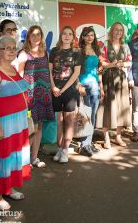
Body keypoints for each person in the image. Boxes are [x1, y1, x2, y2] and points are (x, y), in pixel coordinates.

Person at [0, 35, 30, 210]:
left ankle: (8, 188)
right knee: (0, 158)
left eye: (13, 47)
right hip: (3, 124)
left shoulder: (12, 68)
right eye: (6, 48)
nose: (11, 50)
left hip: (17, 123)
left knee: (12, 157)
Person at [17, 25, 55, 168]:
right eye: (33, 35)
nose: (36, 37)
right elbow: (19, 75)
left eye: (38, 34)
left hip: (44, 93)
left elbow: (49, 72)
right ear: (28, 38)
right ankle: (24, 160)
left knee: (39, 126)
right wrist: (21, 94)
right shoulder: (23, 53)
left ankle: (34, 157)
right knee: (29, 128)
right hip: (30, 95)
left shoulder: (45, 53)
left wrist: (52, 88)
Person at [49, 26, 81, 163]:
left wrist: (63, 89)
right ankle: (59, 148)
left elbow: (76, 73)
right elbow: (49, 70)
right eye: (64, 34)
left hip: (70, 91)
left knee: (69, 120)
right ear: (61, 36)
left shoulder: (77, 52)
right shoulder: (54, 51)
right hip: (55, 90)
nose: (66, 36)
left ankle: (65, 150)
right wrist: (53, 87)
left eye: (69, 34)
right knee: (59, 120)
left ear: (73, 37)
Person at [97, 22, 132, 147]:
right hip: (108, 79)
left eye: (120, 30)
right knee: (108, 107)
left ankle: (118, 136)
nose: (118, 32)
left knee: (121, 107)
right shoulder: (105, 44)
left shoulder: (125, 45)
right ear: (112, 31)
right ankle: (106, 137)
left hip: (121, 80)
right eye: (116, 30)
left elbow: (130, 62)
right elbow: (101, 63)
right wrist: (113, 64)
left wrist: (122, 64)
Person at [77, 26, 104, 156]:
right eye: (87, 35)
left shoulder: (96, 49)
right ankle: (84, 145)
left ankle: (88, 143)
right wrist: (78, 86)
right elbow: (74, 70)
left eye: (92, 35)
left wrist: (102, 87)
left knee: (92, 115)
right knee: (85, 115)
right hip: (83, 86)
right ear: (82, 37)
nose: (89, 37)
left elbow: (99, 72)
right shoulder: (79, 51)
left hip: (95, 87)